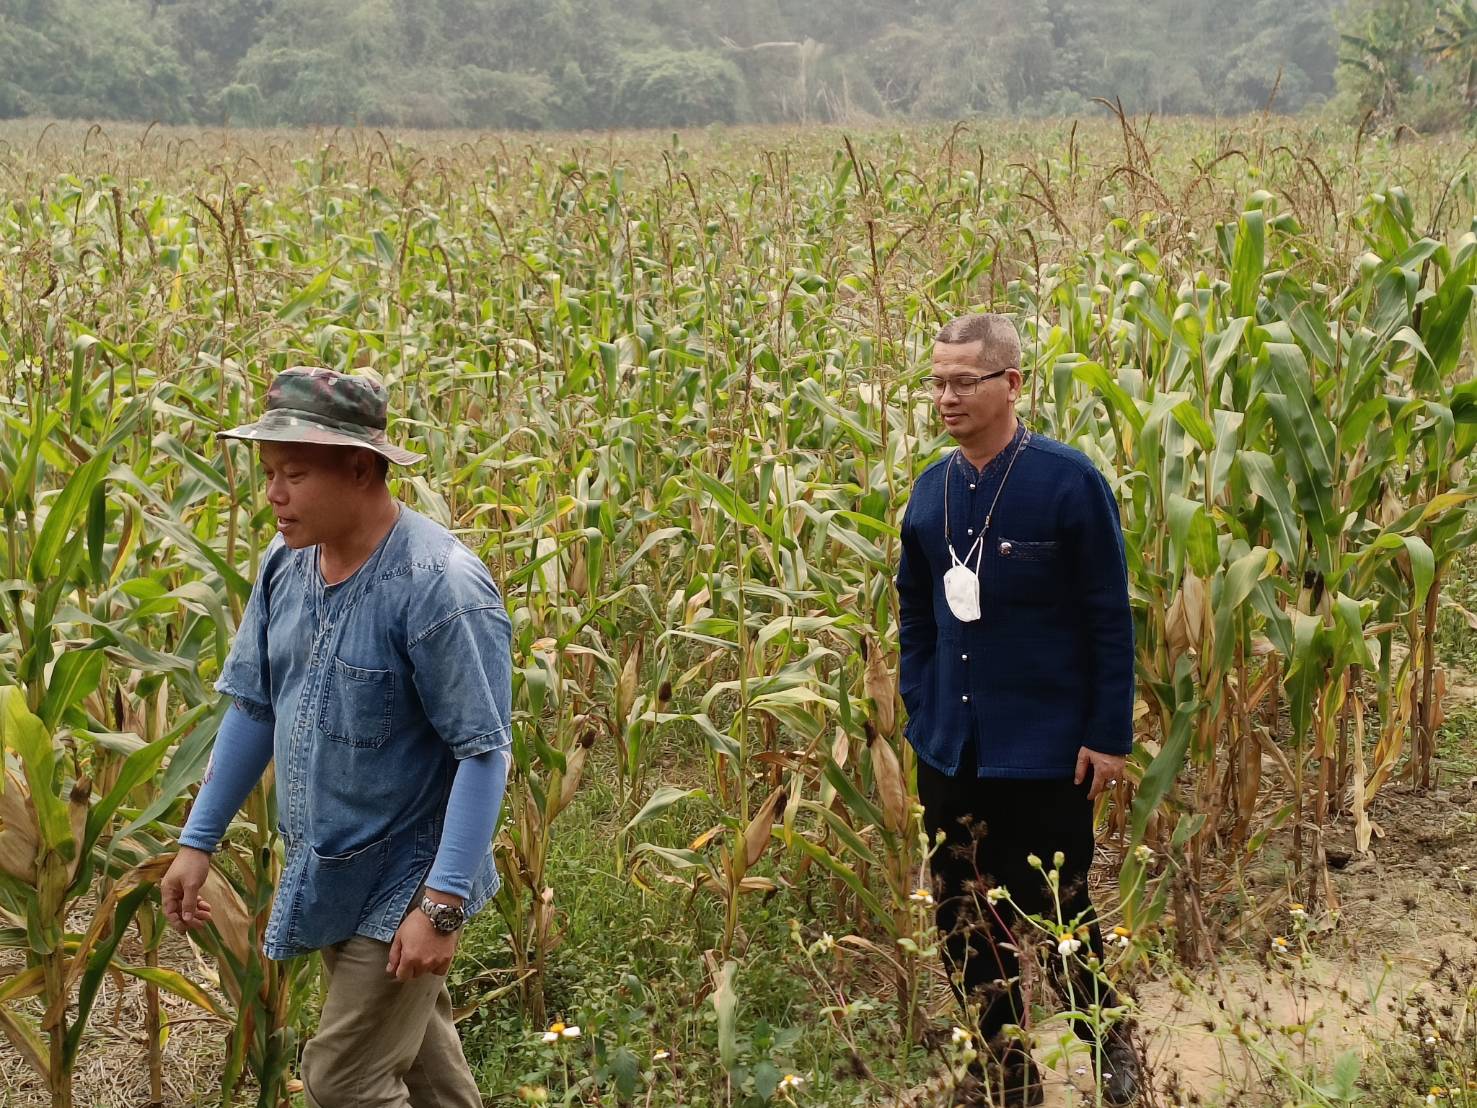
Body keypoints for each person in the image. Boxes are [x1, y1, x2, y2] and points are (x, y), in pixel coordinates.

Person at [160, 367, 512, 1108]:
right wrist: (199, 842)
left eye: (293, 474)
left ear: (359, 468)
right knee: (422, 1067)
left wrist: (440, 905)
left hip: (404, 880)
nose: (273, 495)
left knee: (344, 1079)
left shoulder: (437, 586)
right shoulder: (286, 565)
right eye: (268, 474)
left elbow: (482, 751)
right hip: (329, 868)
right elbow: (255, 706)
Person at [896, 314, 1140, 1106]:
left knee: (1057, 908)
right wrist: (918, 707)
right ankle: (1001, 1073)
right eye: (936, 381)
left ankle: (1107, 1048)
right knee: (962, 918)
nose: (946, 397)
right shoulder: (930, 492)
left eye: (963, 380)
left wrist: (1106, 736)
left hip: (1043, 751)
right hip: (951, 753)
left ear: (1011, 383)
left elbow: (1109, 616)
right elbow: (915, 616)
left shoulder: (1067, 483)